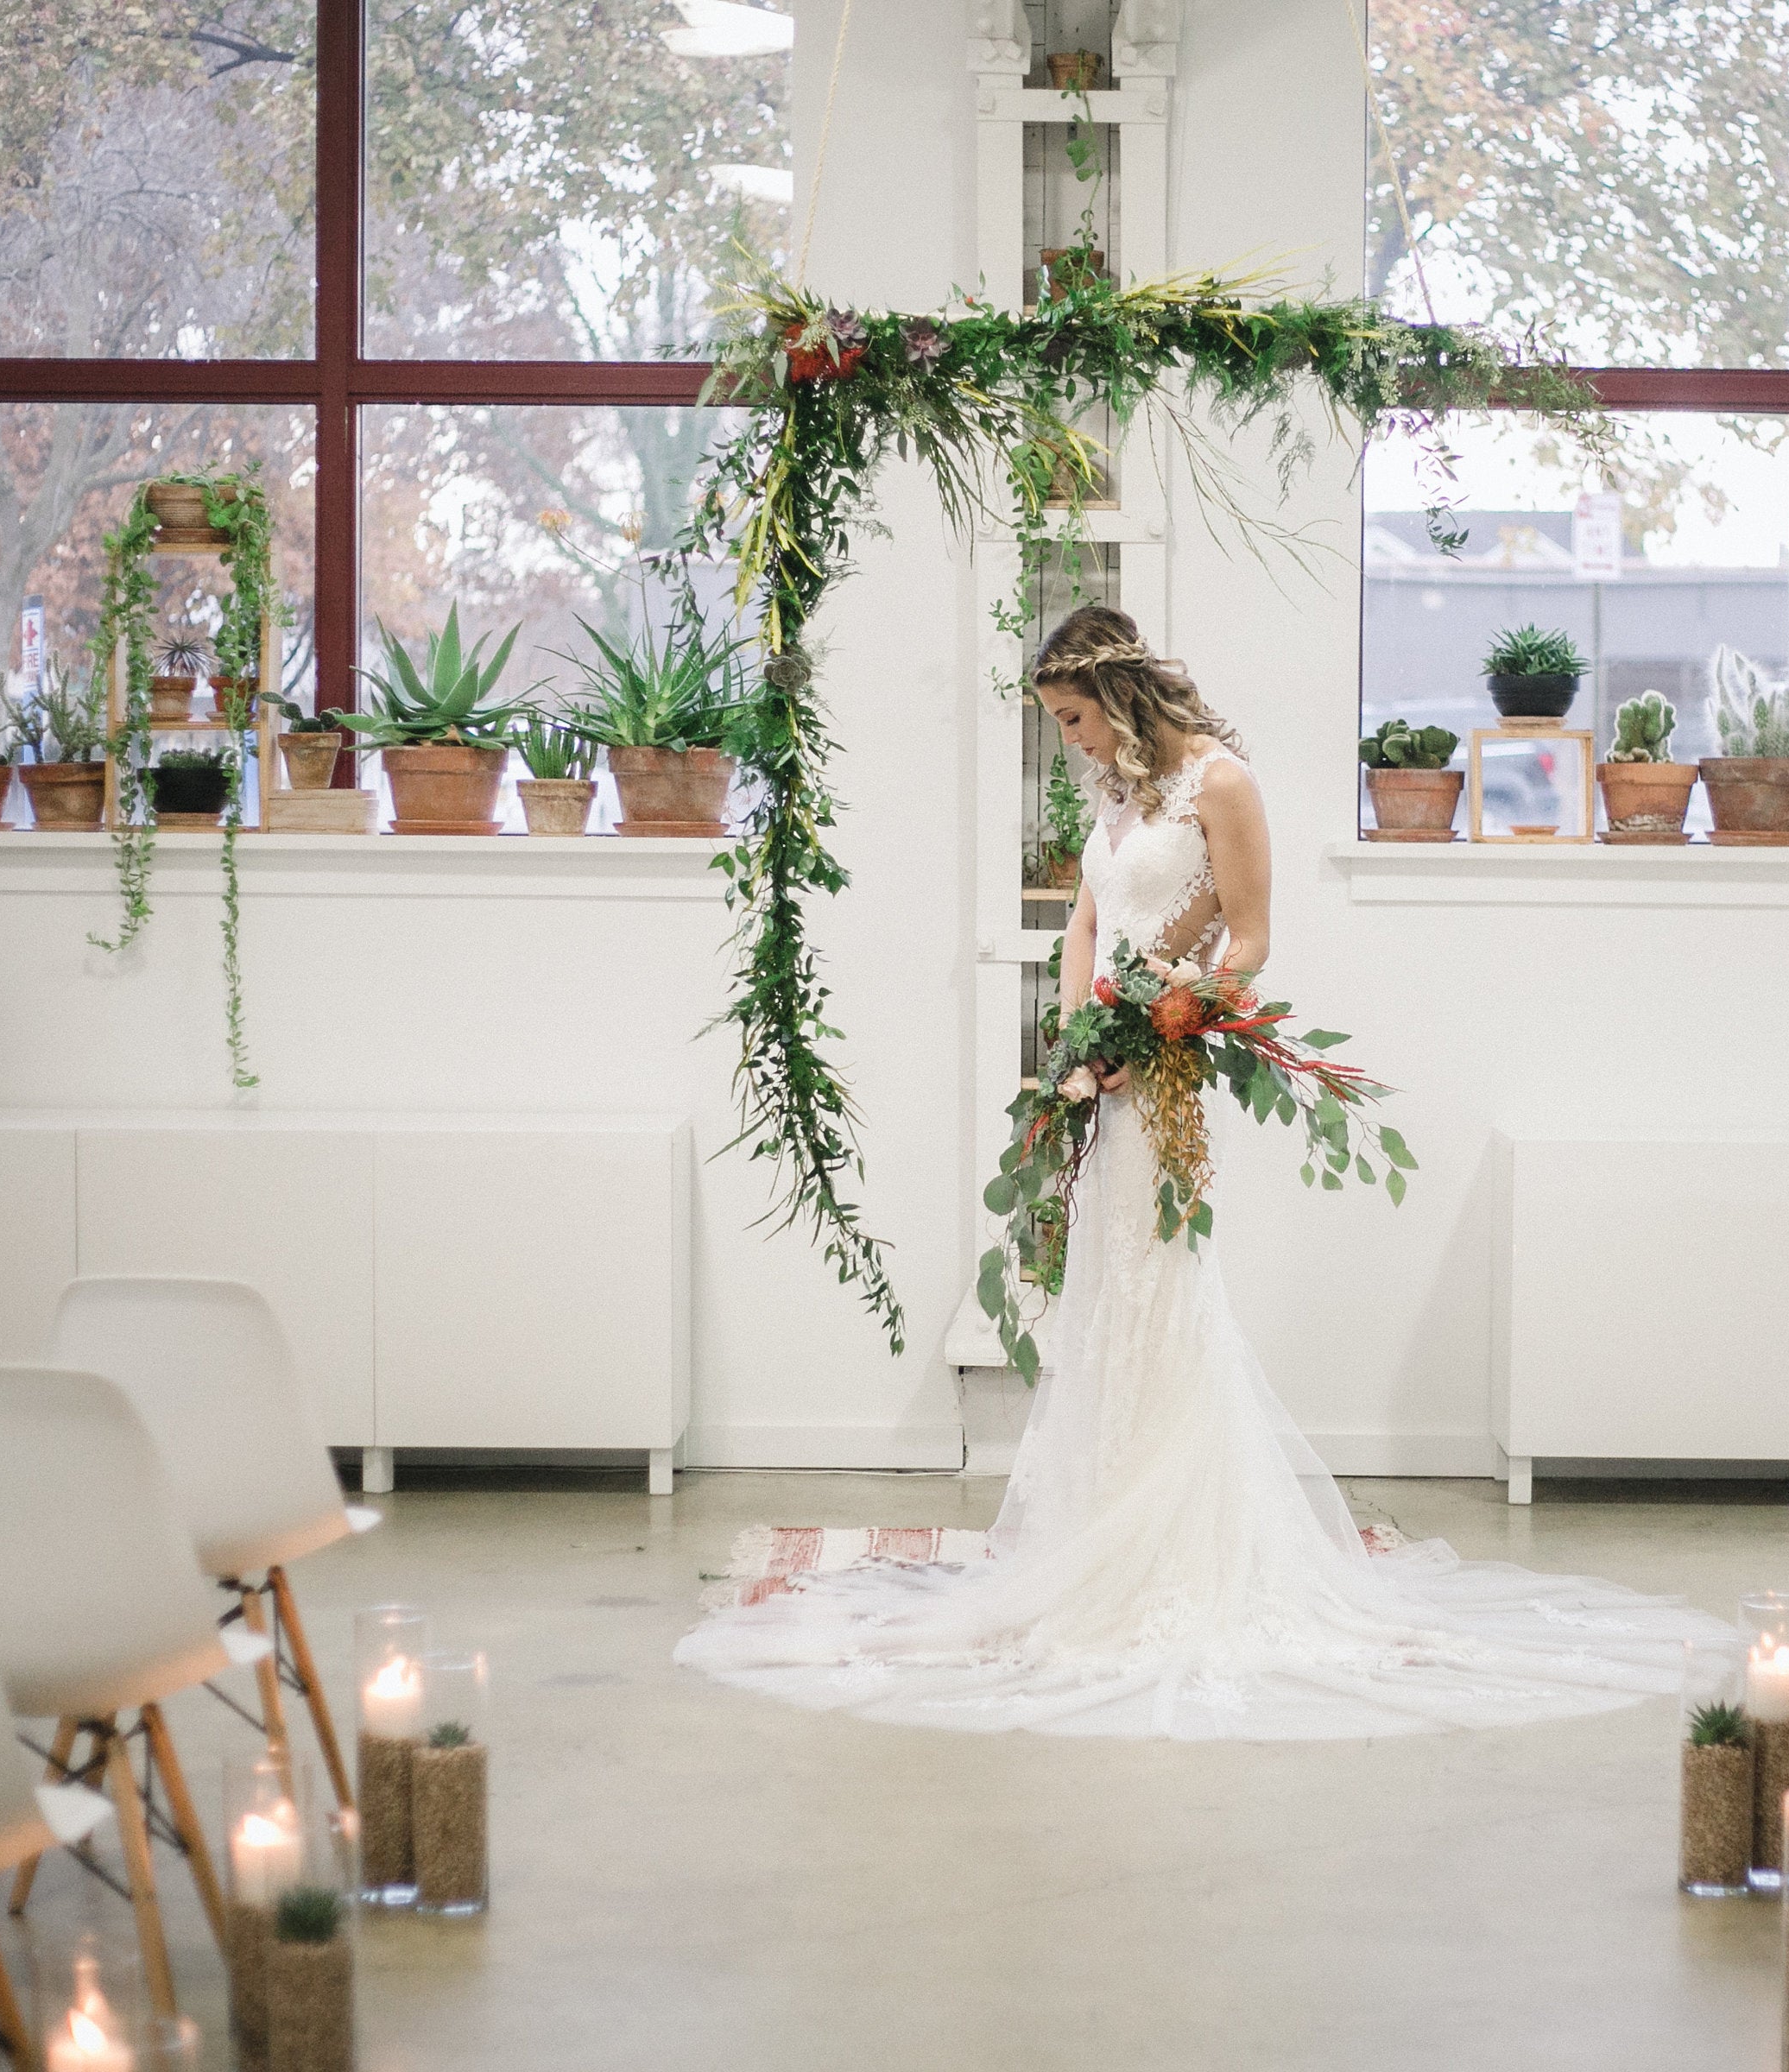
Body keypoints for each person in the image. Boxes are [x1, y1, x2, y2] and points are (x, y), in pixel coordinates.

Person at [676, 606, 1721, 1738]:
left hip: (1164, 1083)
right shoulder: (1116, 795)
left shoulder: (1222, 785)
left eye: (1073, 719)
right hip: (1100, 1078)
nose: (1069, 742)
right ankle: (1103, 1528)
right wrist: (1072, 1045)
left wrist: (1168, 1021)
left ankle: (1177, 1550)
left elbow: (1252, 938)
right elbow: (1084, 922)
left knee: (1164, 1293)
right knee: (1100, 1302)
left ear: (1116, 698)